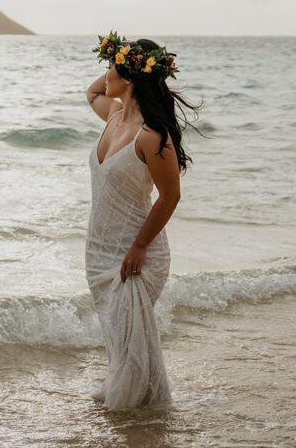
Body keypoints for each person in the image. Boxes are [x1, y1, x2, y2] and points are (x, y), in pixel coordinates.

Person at [83, 30, 205, 411]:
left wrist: (138, 246)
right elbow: (92, 93)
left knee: (130, 342)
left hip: (136, 253)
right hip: (99, 251)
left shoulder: (153, 136)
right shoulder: (114, 115)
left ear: (131, 78)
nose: (106, 76)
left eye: (112, 69)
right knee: (119, 339)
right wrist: (119, 57)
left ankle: (136, 416)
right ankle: (134, 407)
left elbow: (170, 197)